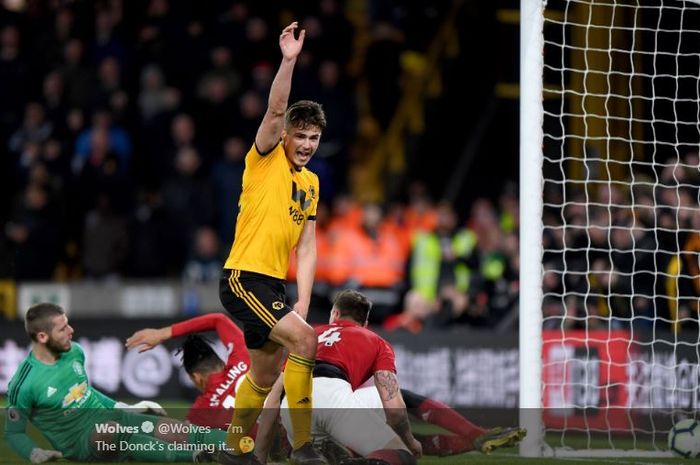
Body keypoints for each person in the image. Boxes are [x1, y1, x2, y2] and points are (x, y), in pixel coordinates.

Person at [217, 21, 326, 465]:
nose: (305, 144)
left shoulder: (313, 183)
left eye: (313, 138)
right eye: (299, 136)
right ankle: (303, 446)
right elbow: (277, 108)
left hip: (273, 286)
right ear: (284, 135)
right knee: (307, 343)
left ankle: (232, 451)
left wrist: (302, 300)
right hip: (244, 277)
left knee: (262, 376)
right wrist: (289, 60)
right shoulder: (263, 159)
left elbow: (307, 247)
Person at [267, 290, 525, 465]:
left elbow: (276, 393)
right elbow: (395, 408)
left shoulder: (311, 333)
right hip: (336, 398)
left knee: (374, 435)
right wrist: (410, 442)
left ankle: (474, 441)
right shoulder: (374, 340)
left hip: (294, 408)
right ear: (365, 322)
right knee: (400, 443)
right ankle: (476, 434)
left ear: (334, 314)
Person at [4, 303, 229, 464]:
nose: (71, 331)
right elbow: (13, 433)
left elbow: (84, 391)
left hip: (106, 418)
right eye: (62, 328)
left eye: (68, 324)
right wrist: (33, 453)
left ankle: (249, 447)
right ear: (43, 337)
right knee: (113, 430)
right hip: (81, 443)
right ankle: (193, 457)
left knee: (177, 430)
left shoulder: (74, 352)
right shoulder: (24, 384)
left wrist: (123, 407)